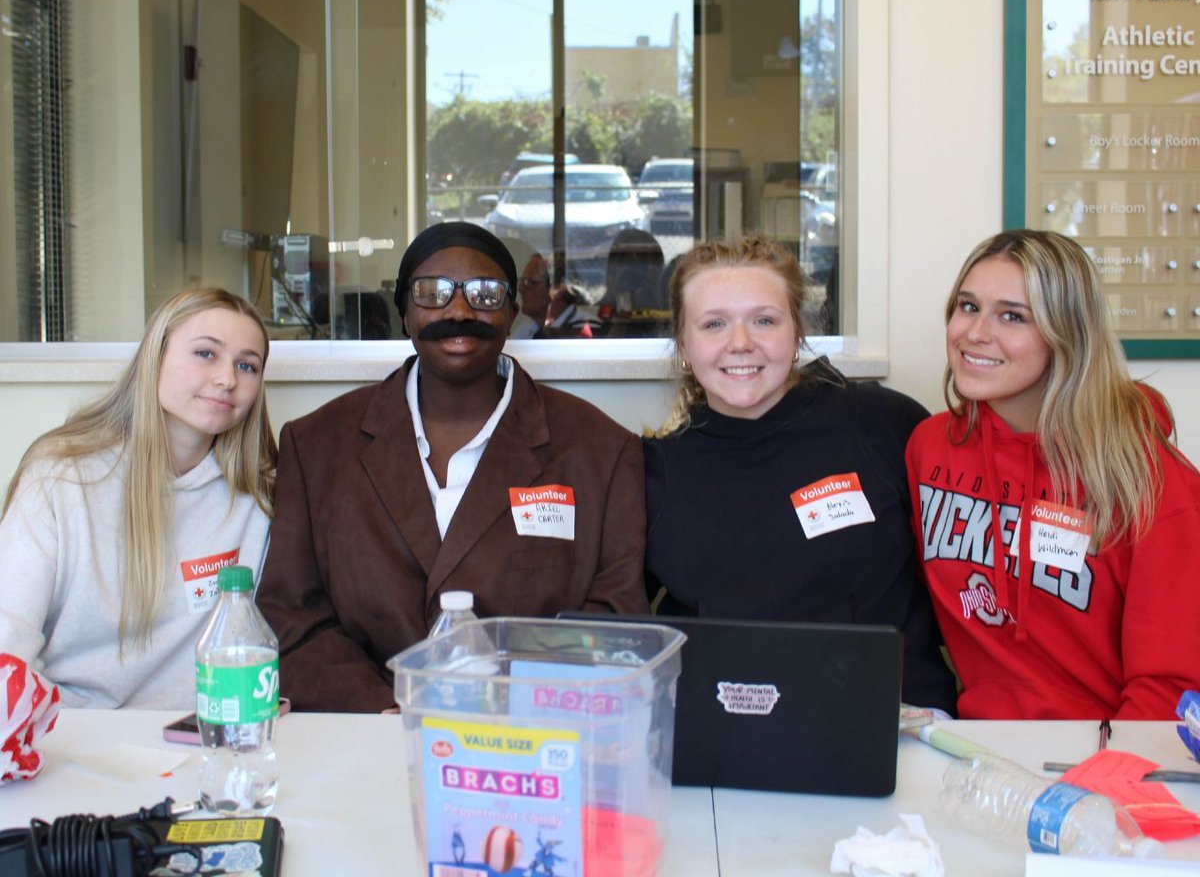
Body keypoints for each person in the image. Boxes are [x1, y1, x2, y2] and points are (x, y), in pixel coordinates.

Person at [255, 221, 649, 713]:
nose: (459, 309)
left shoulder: (601, 452)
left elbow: (613, 621)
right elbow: (292, 616)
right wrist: (385, 710)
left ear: (511, 310)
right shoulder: (316, 445)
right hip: (365, 738)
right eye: (432, 292)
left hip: (531, 742)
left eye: (485, 293)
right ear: (403, 310)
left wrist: (510, 707)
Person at [644, 237, 957, 712]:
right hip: (733, 732)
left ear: (796, 333)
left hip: (898, 721)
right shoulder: (654, 470)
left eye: (764, 320)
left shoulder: (881, 423)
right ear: (684, 345)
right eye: (714, 324)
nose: (741, 343)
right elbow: (620, 634)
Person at [907, 229, 1200, 720]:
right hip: (979, 751)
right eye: (968, 306)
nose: (976, 333)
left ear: (1067, 333)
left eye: (1013, 316)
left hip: (1107, 753)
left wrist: (1099, 782)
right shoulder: (931, 447)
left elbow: (1171, 687)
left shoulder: (1145, 478)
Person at [0, 289, 276, 709]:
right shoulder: (61, 478)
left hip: (206, 736)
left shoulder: (261, 494)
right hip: (71, 739)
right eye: (206, 354)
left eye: (246, 365)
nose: (227, 379)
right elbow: (8, 638)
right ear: (155, 357)